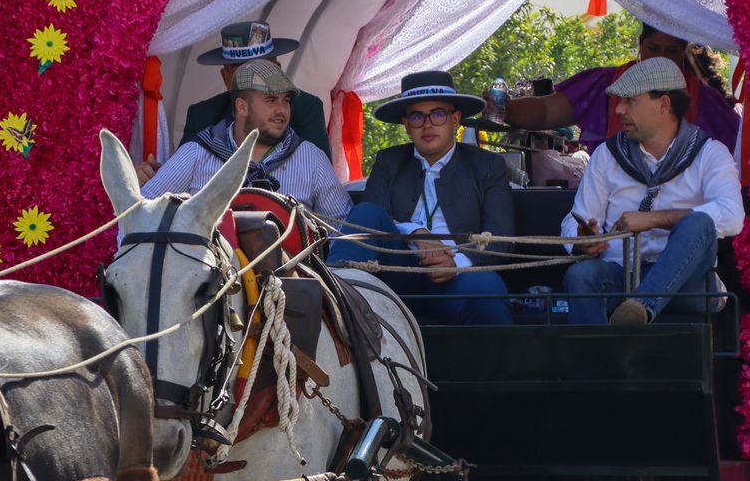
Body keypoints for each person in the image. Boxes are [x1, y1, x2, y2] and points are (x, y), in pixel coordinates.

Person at [560, 57, 744, 325]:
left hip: (686, 285)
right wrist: (580, 240)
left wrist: (654, 219)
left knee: (699, 222)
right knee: (580, 275)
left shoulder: (710, 154)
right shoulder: (607, 155)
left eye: (630, 101)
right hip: (620, 275)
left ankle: (640, 309)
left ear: (664, 104)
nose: (619, 110)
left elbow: (732, 216)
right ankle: (598, 351)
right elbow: (576, 217)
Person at [326, 71, 515, 325]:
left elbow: (501, 238)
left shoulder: (487, 165)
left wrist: (454, 262)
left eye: (438, 114)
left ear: (455, 119)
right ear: (406, 124)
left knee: (487, 288)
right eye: (417, 116)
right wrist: (416, 233)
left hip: (458, 274)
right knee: (365, 212)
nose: (427, 125)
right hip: (396, 270)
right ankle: (329, 303)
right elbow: (373, 218)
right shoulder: (389, 161)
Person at [141, 60, 353, 218]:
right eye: (271, 100)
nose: (282, 110)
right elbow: (142, 210)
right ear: (242, 106)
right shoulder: (197, 152)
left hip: (292, 266)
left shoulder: (311, 158)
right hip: (207, 266)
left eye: (286, 100)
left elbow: (342, 229)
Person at [502, 24, 739, 153]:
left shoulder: (704, 102)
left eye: (672, 51)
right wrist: (500, 107)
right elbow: (546, 111)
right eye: (653, 48)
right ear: (641, 45)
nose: (661, 58)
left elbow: (739, 154)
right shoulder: (604, 86)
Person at [156, 21, 331, 179]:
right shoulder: (202, 115)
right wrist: (160, 176)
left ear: (278, 71)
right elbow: (180, 178)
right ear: (226, 77)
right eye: (241, 71)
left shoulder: (305, 108)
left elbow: (320, 175)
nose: (252, 78)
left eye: (263, 69)